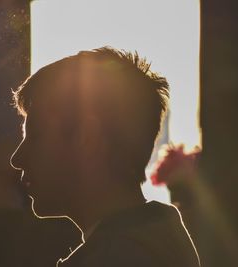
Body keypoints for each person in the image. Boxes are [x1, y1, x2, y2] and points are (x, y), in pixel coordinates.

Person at [10, 47, 200, 267]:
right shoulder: (155, 241)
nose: (17, 158)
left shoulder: (118, 258)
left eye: (35, 137)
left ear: (87, 139)